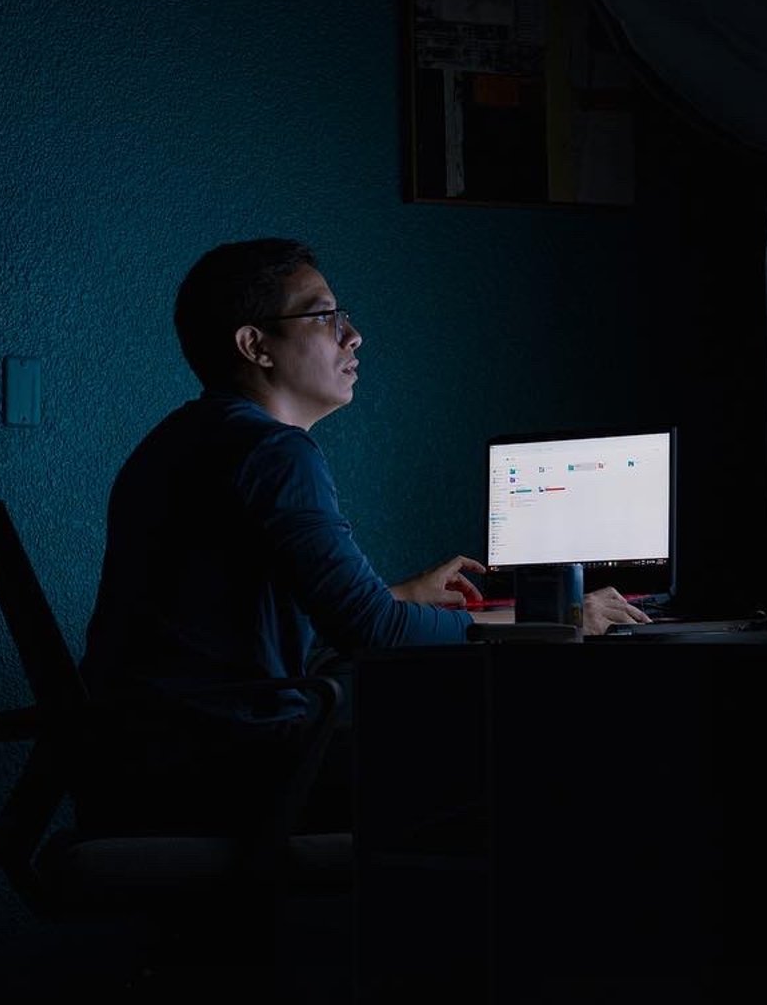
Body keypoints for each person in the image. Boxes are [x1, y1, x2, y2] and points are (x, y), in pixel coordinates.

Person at [77, 237, 649, 835]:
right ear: (255, 345)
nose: (352, 336)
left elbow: (258, 616)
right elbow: (370, 630)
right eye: (324, 316)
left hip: (155, 758)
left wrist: (400, 596)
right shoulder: (272, 452)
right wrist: (563, 620)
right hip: (226, 768)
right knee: (551, 754)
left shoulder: (188, 436)